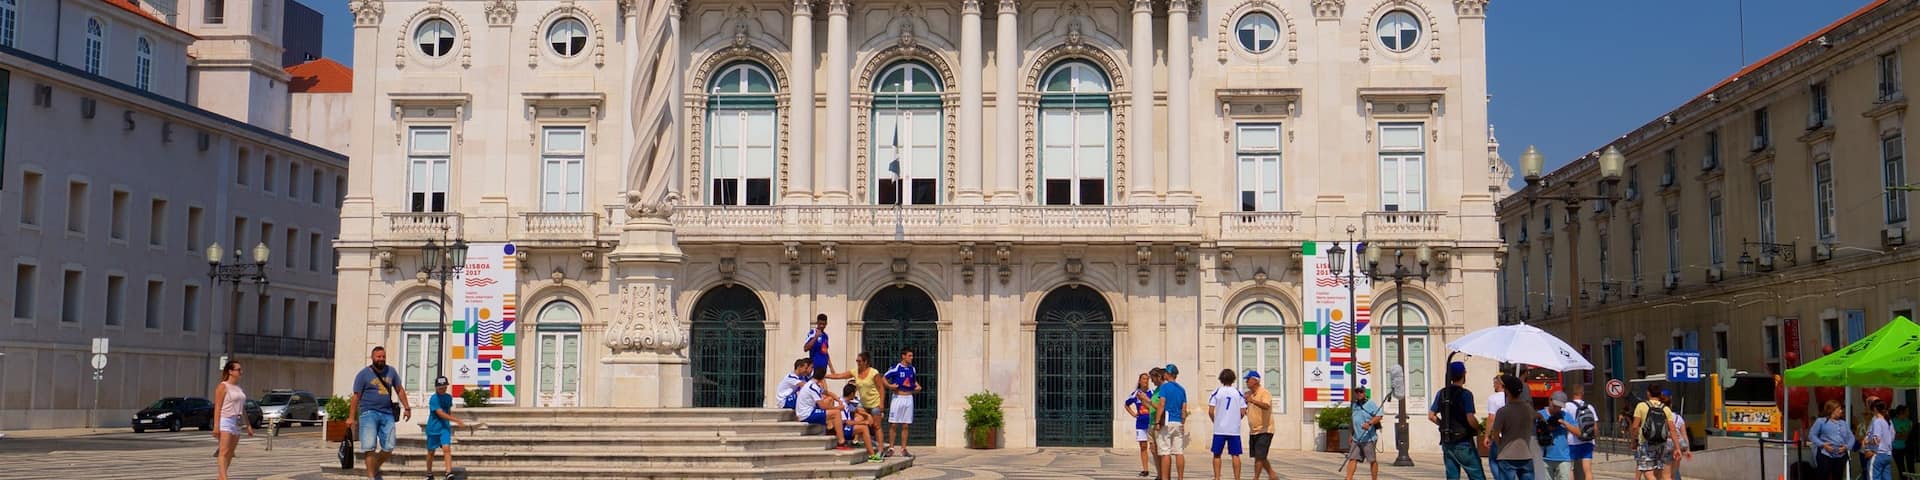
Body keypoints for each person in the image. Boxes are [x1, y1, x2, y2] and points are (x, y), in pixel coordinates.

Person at [348, 346, 411, 480]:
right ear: (373, 358)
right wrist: (351, 417)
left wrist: (407, 407)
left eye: (383, 356)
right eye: (378, 357)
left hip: (387, 413)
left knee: (389, 447)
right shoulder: (363, 374)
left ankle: (374, 467)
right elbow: (356, 397)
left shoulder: (391, 372)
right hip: (368, 413)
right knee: (369, 446)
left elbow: (399, 389)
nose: (381, 359)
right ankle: (372, 477)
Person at [1429, 362, 1486, 480]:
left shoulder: (1442, 393)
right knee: (1476, 475)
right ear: (1464, 374)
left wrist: (1444, 424)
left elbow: (1431, 415)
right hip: (1463, 441)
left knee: (1452, 476)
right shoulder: (1466, 394)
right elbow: (1470, 418)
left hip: (1447, 440)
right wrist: (1479, 428)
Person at [1487, 375, 1536, 480]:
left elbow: (1496, 433)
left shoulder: (1503, 411)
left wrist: (1499, 445)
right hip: (1525, 454)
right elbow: (1539, 417)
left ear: (1507, 391)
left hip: (1507, 454)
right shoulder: (1528, 409)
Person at [211, 360, 253, 480]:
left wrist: (248, 425)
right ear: (230, 371)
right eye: (238, 370)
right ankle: (224, 477)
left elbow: (242, 408)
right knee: (223, 451)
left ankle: (221, 476)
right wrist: (216, 425)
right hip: (226, 420)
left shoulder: (238, 388)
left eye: (241, 370)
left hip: (237, 422)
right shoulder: (223, 386)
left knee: (230, 453)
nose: (241, 372)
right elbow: (218, 406)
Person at [424, 376, 468, 480]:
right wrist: (456, 420)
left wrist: (449, 422)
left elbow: (448, 411)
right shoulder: (434, 399)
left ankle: (448, 473)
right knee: (431, 452)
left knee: (446, 449)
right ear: (436, 388)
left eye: (444, 387)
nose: (442, 389)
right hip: (433, 429)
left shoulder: (448, 397)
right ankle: (429, 473)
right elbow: (440, 413)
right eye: (440, 388)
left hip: (444, 428)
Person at [1629, 384, 1675, 480]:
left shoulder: (1641, 406)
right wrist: (1677, 447)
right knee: (1658, 473)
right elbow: (1672, 429)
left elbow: (1634, 427)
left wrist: (1633, 442)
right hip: (1662, 444)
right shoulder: (1666, 409)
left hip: (1645, 443)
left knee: (1648, 472)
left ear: (1648, 393)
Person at [793, 369, 848, 449]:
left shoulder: (813, 384)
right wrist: (838, 407)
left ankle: (830, 426)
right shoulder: (813, 387)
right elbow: (822, 406)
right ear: (823, 377)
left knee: (830, 400)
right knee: (836, 413)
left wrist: (838, 400)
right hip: (806, 414)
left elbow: (827, 393)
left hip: (808, 411)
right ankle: (841, 442)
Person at [1208, 369, 1247, 480]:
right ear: (1233, 379)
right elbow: (1243, 410)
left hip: (1219, 428)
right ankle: (1237, 478)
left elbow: (1211, 411)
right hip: (1233, 429)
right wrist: (1236, 420)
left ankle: (1217, 477)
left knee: (1217, 454)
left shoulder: (1217, 391)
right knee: (1235, 455)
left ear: (1221, 379)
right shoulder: (1237, 392)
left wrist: (1215, 421)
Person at [1155, 364, 1192, 480]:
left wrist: (1157, 421)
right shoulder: (1182, 389)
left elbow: (1162, 404)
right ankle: (1180, 478)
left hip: (1166, 421)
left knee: (1165, 452)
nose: (1164, 374)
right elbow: (1184, 408)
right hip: (1178, 422)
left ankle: (1165, 478)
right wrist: (1183, 422)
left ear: (1168, 374)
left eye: (1165, 372)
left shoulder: (1164, 388)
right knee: (1179, 452)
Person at [883, 349, 919, 458]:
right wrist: (889, 386)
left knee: (906, 425)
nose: (911, 357)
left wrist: (917, 386)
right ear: (903, 356)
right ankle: (891, 448)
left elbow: (913, 381)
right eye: (910, 355)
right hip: (898, 398)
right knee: (894, 424)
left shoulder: (912, 369)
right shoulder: (896, 368)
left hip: (908, 398)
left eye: (912, 355)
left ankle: (904, 448)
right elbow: (883, 378)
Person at [1243, 370, 1278, 480]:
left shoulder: (1264, 392)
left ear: (1255, 381)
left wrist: (1252, 401)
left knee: (1259, 456)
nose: (1246, 382)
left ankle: (1256, 478)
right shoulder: (1250, 395)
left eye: (1248, 380)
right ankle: (1272, 475)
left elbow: (1266, 405)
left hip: (1265, 429)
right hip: (1254, 430)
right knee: (1260, 456)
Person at [1539, 391, 1582, 480]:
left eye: (1560, 407)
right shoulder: (1540, 414)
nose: (1557, 409)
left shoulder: (1565, 415)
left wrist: (1564, 423)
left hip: (1563, 458)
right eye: (1555, 406)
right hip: (1544, 458)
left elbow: (1578, 433)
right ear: (1550, 401)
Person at [1345, 386, 1384, 480]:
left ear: (1365, 393)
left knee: (1372, 460)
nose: (1359, 394)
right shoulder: (1355, 405)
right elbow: (1353, 420)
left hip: (1368, 438)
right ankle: (1349, 478)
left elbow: (1379, 416)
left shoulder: (1371, 403)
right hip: (1356, 438)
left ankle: (1374, 479)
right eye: (1357, 392)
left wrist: (1369, 423)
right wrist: (1351, 434)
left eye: (1361, 392)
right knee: (1352, 458)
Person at [1810, 400, 1855, 480]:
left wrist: (1847, 447)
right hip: (1825, 455)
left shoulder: (1843, 423)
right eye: (1839, 409)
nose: (1841, 411)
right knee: (1823, 476)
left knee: (1838, 477)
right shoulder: (1821, 421)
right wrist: (1823, 444)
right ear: (1832, 410)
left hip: (1840, 456)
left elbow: (1851, 437)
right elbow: (1812, 435)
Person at [841, 383, 882, 463]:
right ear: (852, 394)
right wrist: (864, 422)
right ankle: (872, 454)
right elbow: (846, 422)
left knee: (861, 419)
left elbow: (857, 410)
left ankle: (868, 448)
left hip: (847, 426)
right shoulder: (842, 403)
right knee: (864, 428)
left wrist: (867, 415)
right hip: (843, 429)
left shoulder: (847, 401)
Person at [1564, 390, 1599, 480]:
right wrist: (1594, 439)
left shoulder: (1567, 406)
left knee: (1571, 469)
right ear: (1582, 394)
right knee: (1588, 470)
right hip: (1588, 441)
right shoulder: (1589, 406)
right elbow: (1595, 426)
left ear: (1572, 394)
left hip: (1572, 441)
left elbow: (1563, 424)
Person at [1127, 373, 1154, 478]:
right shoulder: (1135, 394)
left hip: (1151, 422)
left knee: (1153, 447)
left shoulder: (1152, 393)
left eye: (1147, 379)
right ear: (1139, 381)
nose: (1145, 381)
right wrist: (1134, 414)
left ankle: (1159, 468)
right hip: (1140, 423)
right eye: (1143, 379)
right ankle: (1145, 469)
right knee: (1143, 447)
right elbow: (1127, 404)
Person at [1485, 373, 1509, 480]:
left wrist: (1487, 435)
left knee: (1494, 461)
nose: (1493, 385)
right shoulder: (1511, 397)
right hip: (1511, 435)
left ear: (1499, 384)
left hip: (1498, 436)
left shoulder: (1493, 398)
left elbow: (1491, 418)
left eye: (1494, 383)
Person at [1868, 400, 1895, 480]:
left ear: (1875, 409)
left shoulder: (1877, 421)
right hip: (1888, 454)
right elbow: (1892, 436)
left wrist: (1867, 442)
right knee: (1886, 478)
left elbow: (1876, 439)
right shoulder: (1887, 421)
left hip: (1878, 454)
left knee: (1873, 477)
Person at [1893, 405, 1914, 477]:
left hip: (1907, 447)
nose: (1908, 413)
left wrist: (1901, 434)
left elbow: (1908, 436)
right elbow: (1894, 436)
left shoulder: (1908, 421)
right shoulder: (1893, 422)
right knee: (1901, 469)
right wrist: (1902, 435)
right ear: (1901, 412)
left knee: (1911, 468)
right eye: (1907, 411)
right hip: (1896, 448)